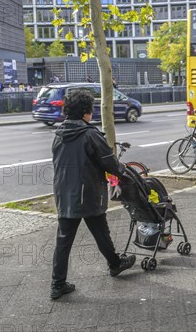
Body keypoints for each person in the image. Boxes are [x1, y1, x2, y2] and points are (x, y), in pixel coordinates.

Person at [50, 90, 136, 300]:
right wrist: (124, 171)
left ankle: (57, 284)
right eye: (91, 109)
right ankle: (114, 264)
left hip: (64, 193)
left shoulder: (59, 135)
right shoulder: (90, 134)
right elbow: (109, 162)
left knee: (64, 240)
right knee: (100, 230)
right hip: (87, 194)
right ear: (86, 112)